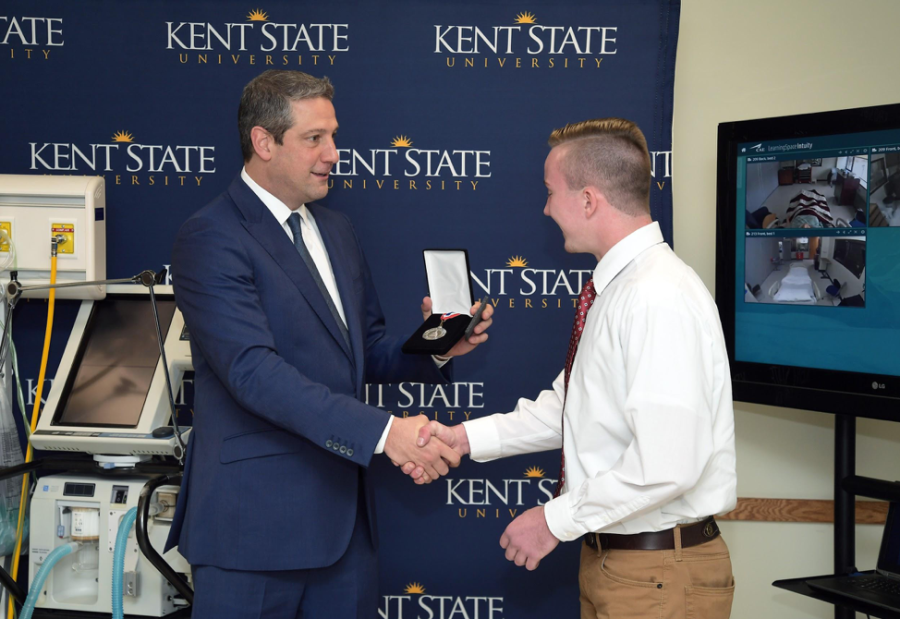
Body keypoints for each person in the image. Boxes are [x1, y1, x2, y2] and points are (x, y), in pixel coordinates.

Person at [165, 70, 493, 619]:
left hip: (345, 533)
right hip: (252, 536)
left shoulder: (336, 229)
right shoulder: (211, 236)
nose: (334, 153)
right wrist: (387, 432)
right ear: (264, 143)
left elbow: (363, 349)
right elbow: (253, 372)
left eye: (334, 136)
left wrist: (437, 346)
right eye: (314, 138)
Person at [410, 118, 736, 619]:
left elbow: (668, 463)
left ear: (588, 200)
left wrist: (552, 521)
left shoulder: (657, 298)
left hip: (657, 577)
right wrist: (465, 439)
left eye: (549, 192)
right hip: (627, 569)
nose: (545, 208)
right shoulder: (618, 290)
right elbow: (568, 408)